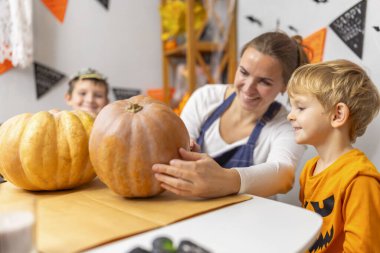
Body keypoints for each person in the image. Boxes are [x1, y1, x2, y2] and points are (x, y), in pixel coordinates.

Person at [152, 31, 309, 198]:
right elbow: (179, 140)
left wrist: (225, 180)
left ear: (285, 86)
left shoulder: (287, 126)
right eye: (244, 72)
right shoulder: (205, 98)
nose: (248, 88)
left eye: (264, 81)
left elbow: (283, 176)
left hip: (249, 220)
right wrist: (186, 150)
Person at [287, 59, 380, 252]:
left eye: (300, 108)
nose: (290, 115)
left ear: (337, 115)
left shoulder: (360, 180)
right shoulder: (310, 169)